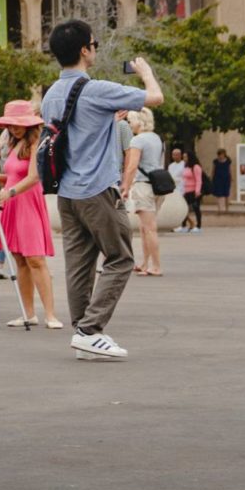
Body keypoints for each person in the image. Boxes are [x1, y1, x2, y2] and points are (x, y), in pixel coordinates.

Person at [39, 19, 160, 361]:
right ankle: (91, 330)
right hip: (97, 190)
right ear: (84, 50)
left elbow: (78, 131)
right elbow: (156, 97)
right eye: (94, 44)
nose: (95, 49)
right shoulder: (96, 89)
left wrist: (108, 118)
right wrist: (146, 72)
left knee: (78, 265)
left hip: (68, 192)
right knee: (121, 258)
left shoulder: (51, 94)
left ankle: (83, 334)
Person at [0, 100, 60, 329]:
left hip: (27, 202)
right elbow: (13, 176)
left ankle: (50, 315)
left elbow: (34, 177)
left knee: (35, 259)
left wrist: (8, 192)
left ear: (29, 123)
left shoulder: (37, 142)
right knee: (20, 259)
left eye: (17, 124)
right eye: (10, 124)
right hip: (12, 202)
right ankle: (28, 313)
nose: (14, 128)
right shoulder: (15, 143)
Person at [122, 108, 167, 275]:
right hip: (157, 186)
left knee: (149, 228)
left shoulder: (137, 140)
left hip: (143, 186)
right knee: (144, 227)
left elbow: (132, 166)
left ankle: (156, 265)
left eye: (131, 121)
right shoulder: (157, 138)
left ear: (139, 122)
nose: (129, 124)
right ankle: (145, 263)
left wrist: (126, 186)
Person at [179, 151, 205, 231]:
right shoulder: (186, 166)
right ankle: (183, 226)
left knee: (196, 208)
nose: (184, 159)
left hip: (194, 191)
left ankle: (198, 226)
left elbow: (199, 180)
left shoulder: (196, 167)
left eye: (185, 157)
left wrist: (197, 191)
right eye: (183, 157)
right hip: (186, 191)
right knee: (184, 208)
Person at [209, 146, 233, 215]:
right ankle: (219, 209)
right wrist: (211, 178)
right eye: (219, 154)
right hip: (218, 179)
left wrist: (231, 177)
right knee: (218, 194)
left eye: (222, 154)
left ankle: (227, 209)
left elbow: (229, 170)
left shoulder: (228, 161)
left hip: (226, 178)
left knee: (226, 194)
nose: (221, 156)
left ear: (224, 154)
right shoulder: (215, 161)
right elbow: (213, 170)